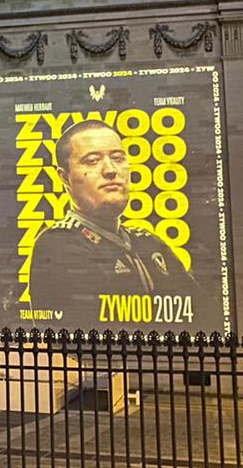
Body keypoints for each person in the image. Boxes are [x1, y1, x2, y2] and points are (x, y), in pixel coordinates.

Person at [26, 119, 202, 325]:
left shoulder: (149, 242)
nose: (111, 170)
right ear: (65, 177)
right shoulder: (57, 245)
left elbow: (204, 314)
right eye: (92, 161)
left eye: (118, 158)